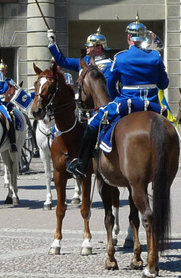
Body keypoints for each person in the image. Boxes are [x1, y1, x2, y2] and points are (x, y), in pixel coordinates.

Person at [66, 16, 169, 179]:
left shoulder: (120, 58)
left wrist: (113, 101)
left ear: (129, 38)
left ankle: (81, 165)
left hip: (126, 103)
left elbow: (112, 86)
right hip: (153, 105)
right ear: (145, 37)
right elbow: (164, 84)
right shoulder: (156, 57)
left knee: (93, 123)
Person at [47, 26, 112, 76]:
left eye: (89, 46)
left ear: (98, 48)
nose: (86, 47)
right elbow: (62, 61)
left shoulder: (109, 65)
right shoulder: (84, 61)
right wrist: (53, 43)